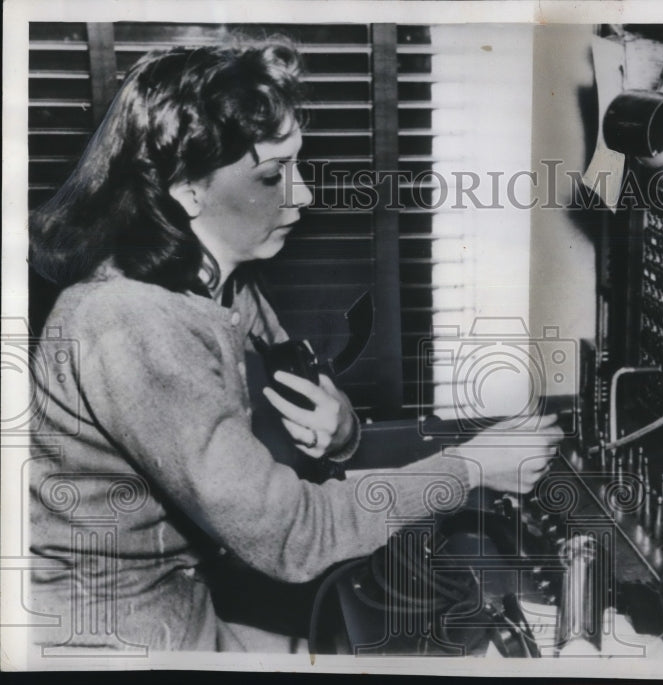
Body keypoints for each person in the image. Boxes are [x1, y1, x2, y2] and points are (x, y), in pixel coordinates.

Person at [27, 40, 561, 653]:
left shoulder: (219, 278)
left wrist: (344, 433)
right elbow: (293, 535)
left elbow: (293, 419)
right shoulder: (132, 322)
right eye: (271, 174)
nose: (301, 194)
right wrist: (469, 469)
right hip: (107, 630)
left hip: (178, 594)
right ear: (187, 189)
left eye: (296, 166)